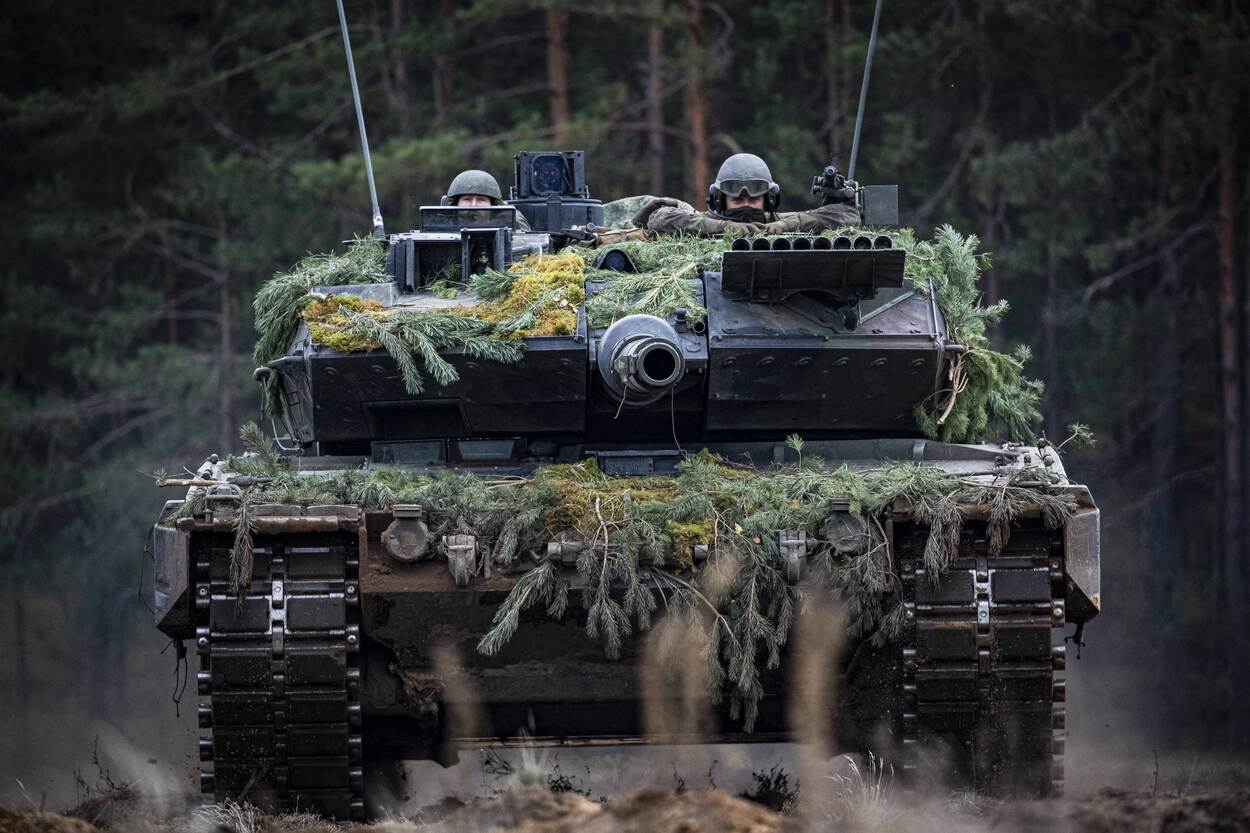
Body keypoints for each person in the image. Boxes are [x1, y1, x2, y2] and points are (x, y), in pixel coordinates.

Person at [637, 153, 860, 236]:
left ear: (769, 200)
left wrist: (784, 226)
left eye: (754, 198)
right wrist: (727, 228)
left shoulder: (775, 223)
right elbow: (661, 217)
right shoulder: (702, 220)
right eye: (737, 199)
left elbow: (847, 215)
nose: (746, 203)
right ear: (719, 200)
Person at [443, 169, 531, 231]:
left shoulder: (509, 222)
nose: (474, 205)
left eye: (481, 200)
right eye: (467, 199)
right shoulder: (441, 226)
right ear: (456, 204)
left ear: (493, 204)